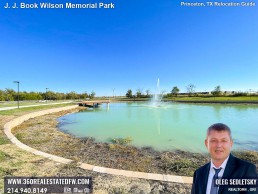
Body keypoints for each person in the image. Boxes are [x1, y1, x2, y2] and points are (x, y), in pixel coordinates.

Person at [191, 123, 257, 194]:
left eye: (224, 140)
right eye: (214, 140)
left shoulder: (246, 170)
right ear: (206, 143)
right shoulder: (199, 173)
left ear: (231, 143)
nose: (219, 145)